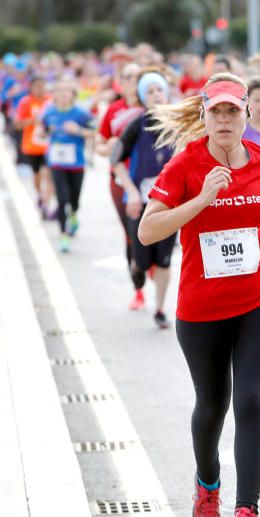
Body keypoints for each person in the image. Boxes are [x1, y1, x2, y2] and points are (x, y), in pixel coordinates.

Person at [138, 73, 260, 517]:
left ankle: (246, 511)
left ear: (247, 114)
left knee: (251, 399)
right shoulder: (185, 166)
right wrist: (202, 198)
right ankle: (207, 484)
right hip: (202, 308)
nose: (225, 120)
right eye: (217, 112)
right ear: (204, 116)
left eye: (234, 111)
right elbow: (148, 231)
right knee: (213, 405)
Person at [112, 70, 176, 329]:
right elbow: (115, 160)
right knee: (142, 259)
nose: (156, 94)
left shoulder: (177, 125)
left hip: (169, 204)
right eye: (149, 91)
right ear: (142, 97)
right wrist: (132, 190)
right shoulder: (135, 125)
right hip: (139, 200)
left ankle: (159, 309)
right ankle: (137, 268)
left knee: (164, 259)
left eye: (159, 89)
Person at [95, 63, 148, 309]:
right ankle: (138, 288)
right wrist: (115, 145)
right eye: (127, 76)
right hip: (120, 179)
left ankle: (151, 264)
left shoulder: (151, 107)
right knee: (131, 234)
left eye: (137, 77)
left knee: (156, 234)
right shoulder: (114, 110)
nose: (132, 81)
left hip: (151, 180)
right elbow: (101, 145)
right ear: (120, 80)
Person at [37, 78, 96, 253]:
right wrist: (42, 133)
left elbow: (95, 132)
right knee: (62, 200)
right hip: (56, 162)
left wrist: (78, 130)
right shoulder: (48, 113)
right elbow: (42, 130)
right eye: (59, 90)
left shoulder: (81, 114)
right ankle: (64, 234)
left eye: (67, 90)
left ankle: (74, 214)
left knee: (74, 201)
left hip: (76, 163)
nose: (63, 94)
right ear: (54, 94)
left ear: (73, 94)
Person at [14, 76, 54, 218]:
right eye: (37, 86)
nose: (40, 89)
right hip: (32, 146)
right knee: (37, 175)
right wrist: (33, 121)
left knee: (48, 175)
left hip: (49, 146)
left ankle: (46, 204)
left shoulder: (50, 101)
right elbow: (18, 124)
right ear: (31, 88)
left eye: (42, 86)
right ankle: (40, 195)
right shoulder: (26, 102)